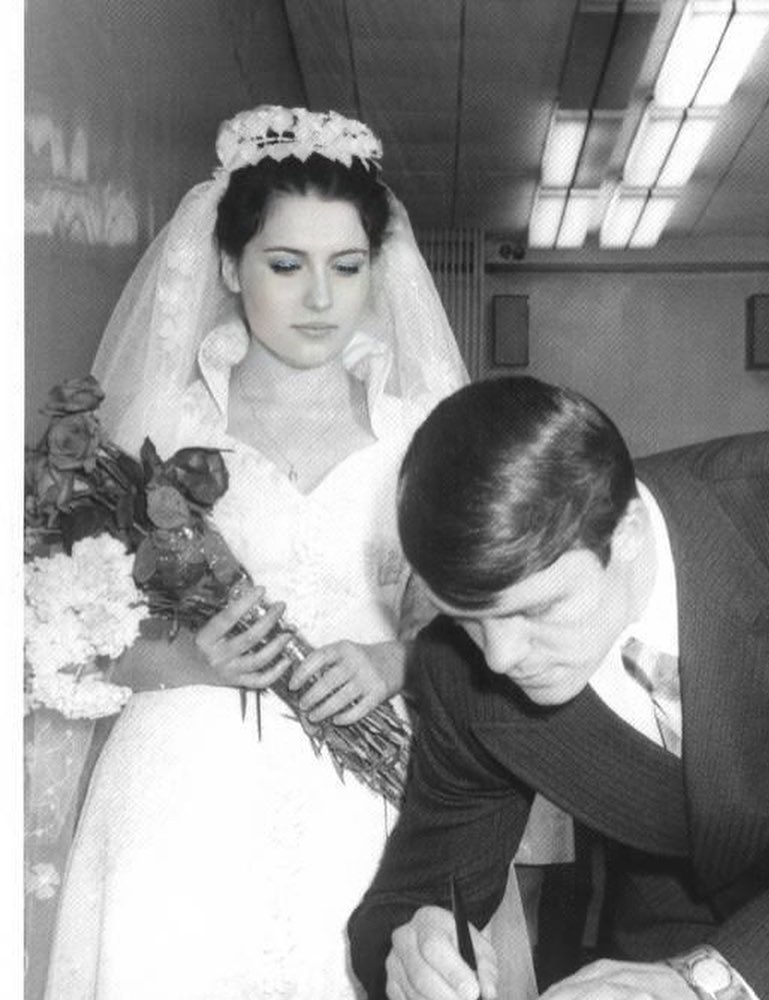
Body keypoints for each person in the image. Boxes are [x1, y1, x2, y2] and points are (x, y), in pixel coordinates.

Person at [349, 376, 769, 1000]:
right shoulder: (456, 669)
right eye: (466, 619)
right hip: (670, 935)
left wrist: (706, 980)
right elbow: (411, 894)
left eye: (536, 611)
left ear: (625, 534)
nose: (500, 657)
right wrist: (412, 947)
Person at [37, 105, 471, 1000]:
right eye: (286, 264)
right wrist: (186, 657)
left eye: (346, 266)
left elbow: (485, 628)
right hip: (182, 801)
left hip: (368, 802)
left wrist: (395, 660)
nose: (320, 298)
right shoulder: (160, 427)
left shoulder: (424, 435)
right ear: (232, 267)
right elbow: (72, 635)